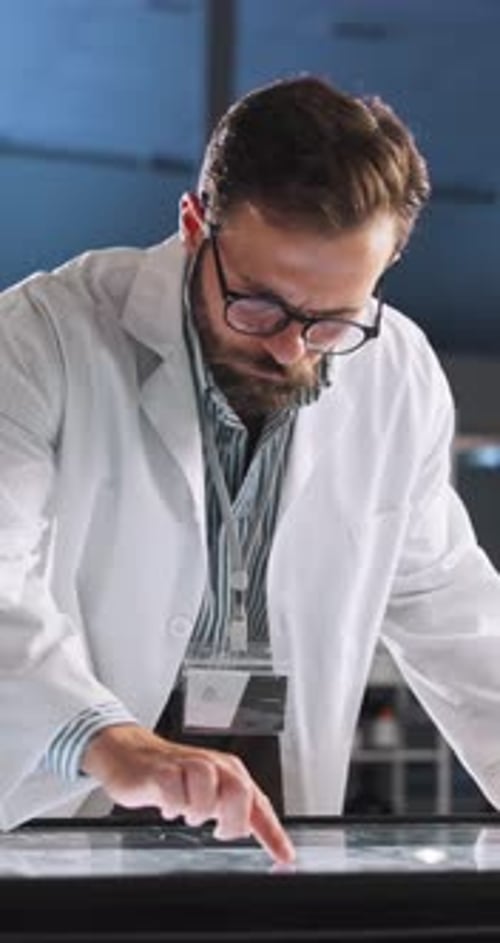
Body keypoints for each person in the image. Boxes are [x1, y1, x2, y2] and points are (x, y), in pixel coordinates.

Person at [1, 75, 499, 865]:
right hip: (72, 793)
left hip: (270, 804)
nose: (289, 347)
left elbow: (450, 605)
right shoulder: (41, 339)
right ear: (196, 224)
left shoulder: (394, 369)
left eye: (331, 319)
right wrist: (103, 735)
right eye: (259, 307)